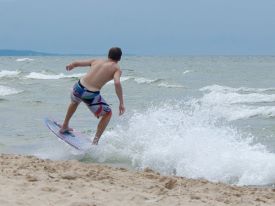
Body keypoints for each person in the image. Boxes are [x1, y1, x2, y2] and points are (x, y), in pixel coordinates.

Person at [59, 47, 125, 145]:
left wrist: (71, 65)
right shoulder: (116, 68)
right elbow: (117, 83)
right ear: (119, 58)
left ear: (108, 55)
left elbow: (77, 63)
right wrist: (121, 103)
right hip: (90, 94)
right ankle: (95, 142)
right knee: (108, 113)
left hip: (77, 87)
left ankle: (64, 125)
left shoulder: (97, 61)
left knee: (75, 101)